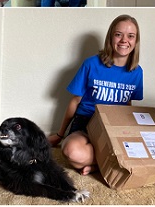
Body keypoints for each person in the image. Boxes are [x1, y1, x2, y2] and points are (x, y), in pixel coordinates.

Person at [48, 15, 143, 175]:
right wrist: (60, 134)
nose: (124, 40)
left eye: (130, 36)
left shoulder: (137, 72)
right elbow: (75, 101)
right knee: (71, 151)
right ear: (111, 37)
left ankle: (97, 165)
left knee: (141, 151)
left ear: (135, 41)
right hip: (86, 122)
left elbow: (128, 105)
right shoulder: (91, 64)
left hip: (114, 127)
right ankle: (108, 164)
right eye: (118, 34)